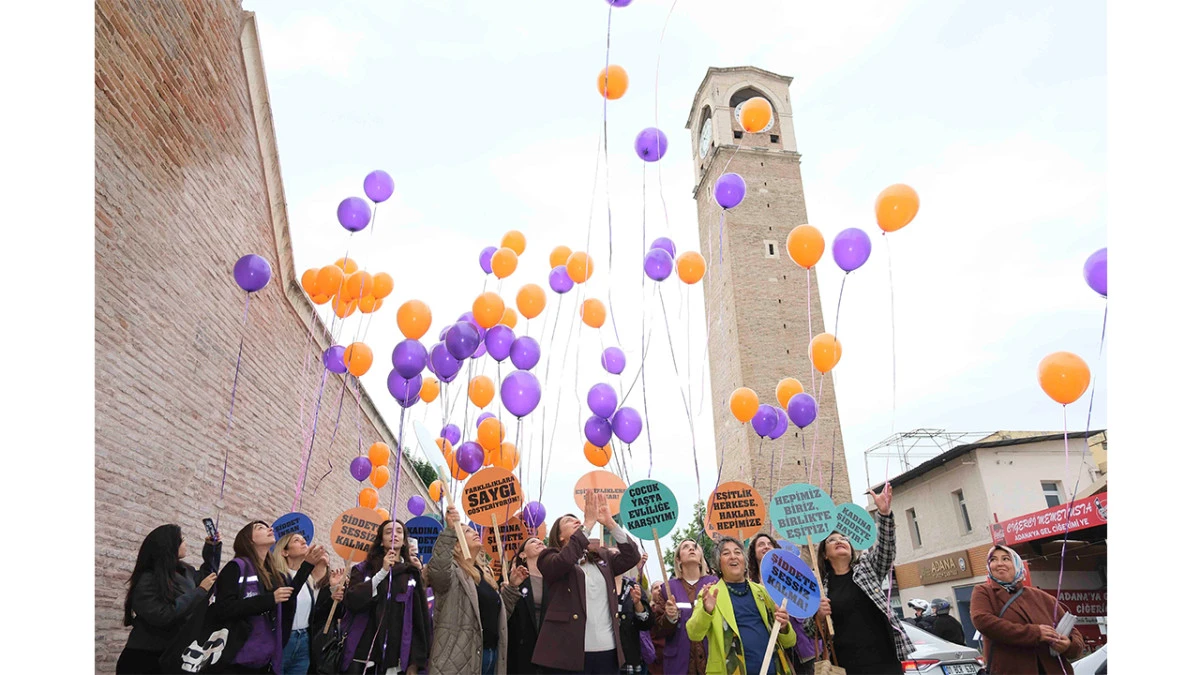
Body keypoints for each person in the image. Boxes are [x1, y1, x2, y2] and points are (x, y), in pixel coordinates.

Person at [806, 485, 914, 675]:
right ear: (824, 554)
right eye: (832, 540)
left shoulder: (867, 569)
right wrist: (819, 616)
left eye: (844, 538)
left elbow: (886, 550)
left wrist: (884, 514)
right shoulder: (819, 587)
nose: (840, 541)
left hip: (885, 662)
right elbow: (809, 631)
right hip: (846, 666)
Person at [531, 491, 642, 673]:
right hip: (568, 653)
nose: (577, 521)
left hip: (607, 649)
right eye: (569, 521)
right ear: (560, 536)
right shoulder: (549, 557)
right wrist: (588, 524)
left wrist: (611, 523)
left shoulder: (602, 556)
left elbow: (632, 556)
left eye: (578, 519)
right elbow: (564, 561)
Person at [211, 520, 325, 674]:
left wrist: (307, 565)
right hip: (237, 655)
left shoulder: (271, 573)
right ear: (249, 540)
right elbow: (223, 609)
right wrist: (270, 600)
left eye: (268, 527)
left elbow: (288, 597)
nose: (269, 529)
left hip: (263, 655)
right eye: (260, 528)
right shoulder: (236, 567)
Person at [428, 506, 523, 674]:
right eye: (467, 531)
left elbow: (498, 616)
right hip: (458, 660)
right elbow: (439, 571)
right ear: (457, 545)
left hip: (490, 655)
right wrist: (450, 532)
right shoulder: (452, 571)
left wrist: (512, 587)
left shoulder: (484, 575)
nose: (474, 532)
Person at [117, 525, 221, 674]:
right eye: (182, 540)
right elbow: (162, 615)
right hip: (145, 658)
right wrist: (200, 591)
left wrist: (212, 547)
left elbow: (208, 577)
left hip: (172, 654)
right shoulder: (148, 579)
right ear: (170, 545)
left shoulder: (185, 571)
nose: (185, 543)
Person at [685, 536, 795, 675]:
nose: (733, 556)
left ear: (745, 561)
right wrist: (706, 611)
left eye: (737, 552)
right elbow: (694, 634)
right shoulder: (710, 594)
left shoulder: (763, 592)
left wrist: (784, 626)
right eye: (726, 553)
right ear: (719, 564)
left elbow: (790, 642)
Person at [970, 544, 1084, 674]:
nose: (999, 563)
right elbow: (983, 621)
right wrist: (1035, 633)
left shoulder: (1042, 597)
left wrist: (1068, 645)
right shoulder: (984, 592)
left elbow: (1073, 633)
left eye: (1006, 559)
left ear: (1017, 563)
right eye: (993, 560)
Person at [341, 519, 430, 674]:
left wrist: (415, 661)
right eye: (388, 532)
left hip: (396, 657)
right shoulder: (363, 569)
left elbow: (419, 619)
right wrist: (382, 572)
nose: (394, 535)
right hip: (363, 654)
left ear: (404, 541)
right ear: (381, 541)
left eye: (399, 532)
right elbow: (352, 601)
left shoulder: (411, 574)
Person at [747, 533, 818, 675]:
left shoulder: (789, 571)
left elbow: (806, 560)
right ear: (754, 553)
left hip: (801, 644)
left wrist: (807, 537)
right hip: (773, 648)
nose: (766, 546)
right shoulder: (750, 584)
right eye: (761, 544)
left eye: (769, 544)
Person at [650, 538, 716, 674]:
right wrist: (670, 618)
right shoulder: (667, 588)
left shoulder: (714, 583)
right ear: (678, 559)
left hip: (711, 659)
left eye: (695, 547)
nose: (691, 548)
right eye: (686, 547)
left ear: (701, 558)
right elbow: (658, 630)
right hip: (679, 663)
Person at [270, 532, 331, 674]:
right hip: (284, 639)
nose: (304, 542)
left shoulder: (308, 580)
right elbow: (288, 599)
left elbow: (314, 614)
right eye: (296, 540)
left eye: (304, 540)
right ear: (284, 552)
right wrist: (307, 565)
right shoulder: (278, 576)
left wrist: (333, 596)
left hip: (304, 639)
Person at [508, 535, 547, 674]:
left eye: (541, 541)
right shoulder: (515, 578)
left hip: (548, 647)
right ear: (523, 555)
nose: (539, 542)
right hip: (522, 649)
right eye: (533, 542)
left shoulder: (553, 578)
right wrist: (511, 586)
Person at [616, 563, 655, 674]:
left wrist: (637, 604)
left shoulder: (632, 586)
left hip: (629, 659)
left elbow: (647, 624)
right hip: (602, 657)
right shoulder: (596, 586)